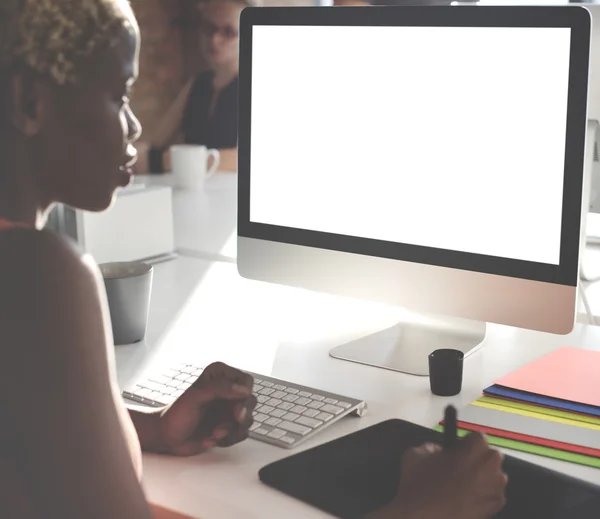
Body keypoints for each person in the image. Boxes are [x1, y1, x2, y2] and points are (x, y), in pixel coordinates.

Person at [0, 0, 507, 517]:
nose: (133, 126)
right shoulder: (39, 275)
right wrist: (427, 508)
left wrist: (148, 426)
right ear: (30, 102)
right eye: (118, 95)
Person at [136, 0, 252, 175]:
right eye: (209, 28)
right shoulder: (197, 83)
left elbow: (245, 157)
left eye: (228, 32)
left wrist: (164, 161)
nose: (215, 39)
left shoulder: (253, 85)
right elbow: (156, 142)